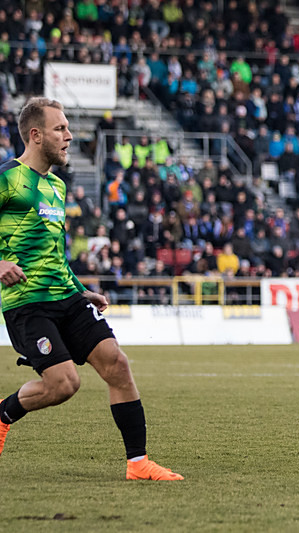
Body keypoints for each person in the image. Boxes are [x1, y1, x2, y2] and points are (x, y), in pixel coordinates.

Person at [0, 98, 182, 480]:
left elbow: (55, 253)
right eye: (60, 129)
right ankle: (4, 413)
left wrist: (81, 289)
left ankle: (138, 464)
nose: (69, 136)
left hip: (66, 296)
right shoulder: (8, 178)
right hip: (28, 303)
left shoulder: (57, 186)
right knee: (64, 384)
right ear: (35, 135)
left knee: (117, 363)